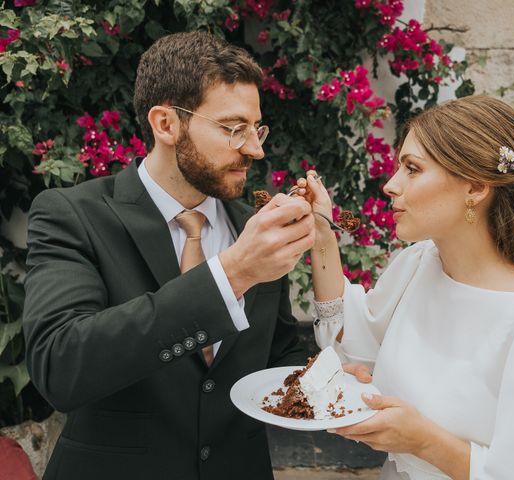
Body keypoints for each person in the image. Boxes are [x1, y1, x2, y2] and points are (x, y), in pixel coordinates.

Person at [23, 32, 314, 480]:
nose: (255, 148)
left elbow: (275, 354)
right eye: (233, 128)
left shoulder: (253, 227)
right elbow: (60, 367)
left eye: (257, 128)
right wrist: (232, 274)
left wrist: (322, 379)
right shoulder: (72, 215)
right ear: (166, 124)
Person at [297, 96, 514, 480]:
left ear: (476, 188)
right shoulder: (419, 264)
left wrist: (423, 440)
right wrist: (322, 239)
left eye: (413, 169)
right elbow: (353, 343)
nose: (390, 186)